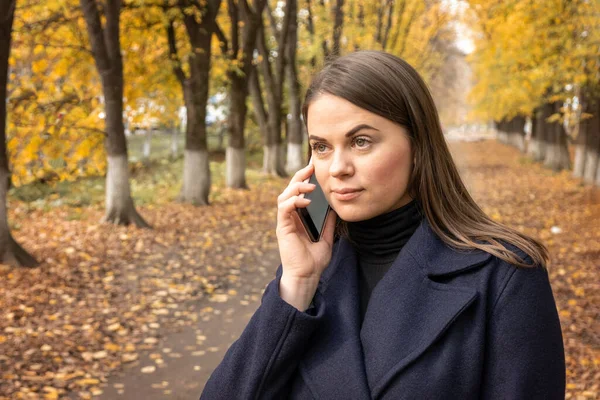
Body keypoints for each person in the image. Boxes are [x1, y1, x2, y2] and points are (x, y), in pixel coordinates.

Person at [200, 51, 565, 399]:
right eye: (321, 147)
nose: (338, 167)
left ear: (418, 144)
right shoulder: (309, 278)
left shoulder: (504, 276)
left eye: (360, 142)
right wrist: (297, 285)